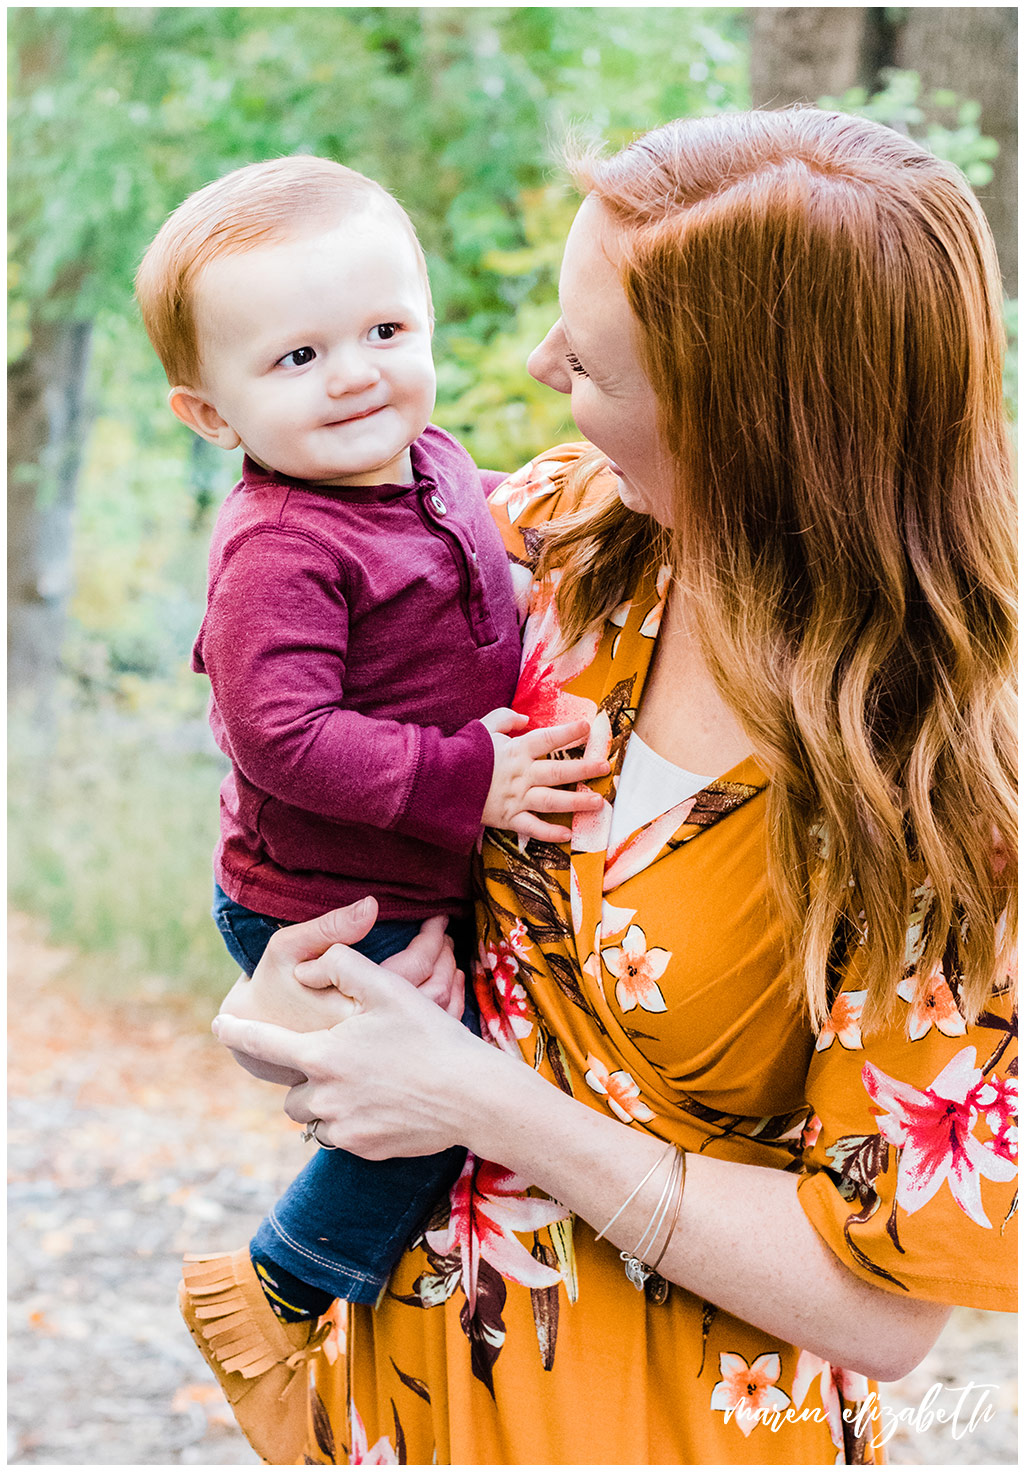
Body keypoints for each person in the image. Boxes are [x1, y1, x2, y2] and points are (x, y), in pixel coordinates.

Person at [210, 110, 1017, 1466]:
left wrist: (476, 1099)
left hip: (671, 1429)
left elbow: (884, 1314)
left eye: (587, 364)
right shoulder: (559, 543)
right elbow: (311, 763)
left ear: (738, 423)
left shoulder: (941, 785)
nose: (534, 371)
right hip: (406, 1388)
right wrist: (297, 998)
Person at [134, 155, 610, 1459]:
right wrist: (474, 775)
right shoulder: (279, 549)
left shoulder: (433, 459)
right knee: (420, 1125)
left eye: (387, 332)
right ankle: (274, 1297)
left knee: (459, 1114)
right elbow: (279, 737)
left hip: (404, 877)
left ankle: (381, 1327)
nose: (356, 375)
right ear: (209, 412)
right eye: (296, 357)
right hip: (331, 901)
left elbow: (489, 550)